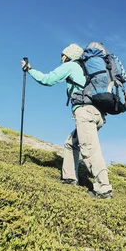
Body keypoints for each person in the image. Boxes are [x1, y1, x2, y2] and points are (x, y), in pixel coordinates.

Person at [21, 43, 113, 199]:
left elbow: (47, 80)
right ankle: (69, 177)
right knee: (71, 143)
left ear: (69, 55)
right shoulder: (87, 70)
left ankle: (103, 190)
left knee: (89, 150)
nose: (61, 58)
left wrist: (29, 69)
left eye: (62, 55)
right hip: (98, 114)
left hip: (85, 113)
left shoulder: (71, 66)